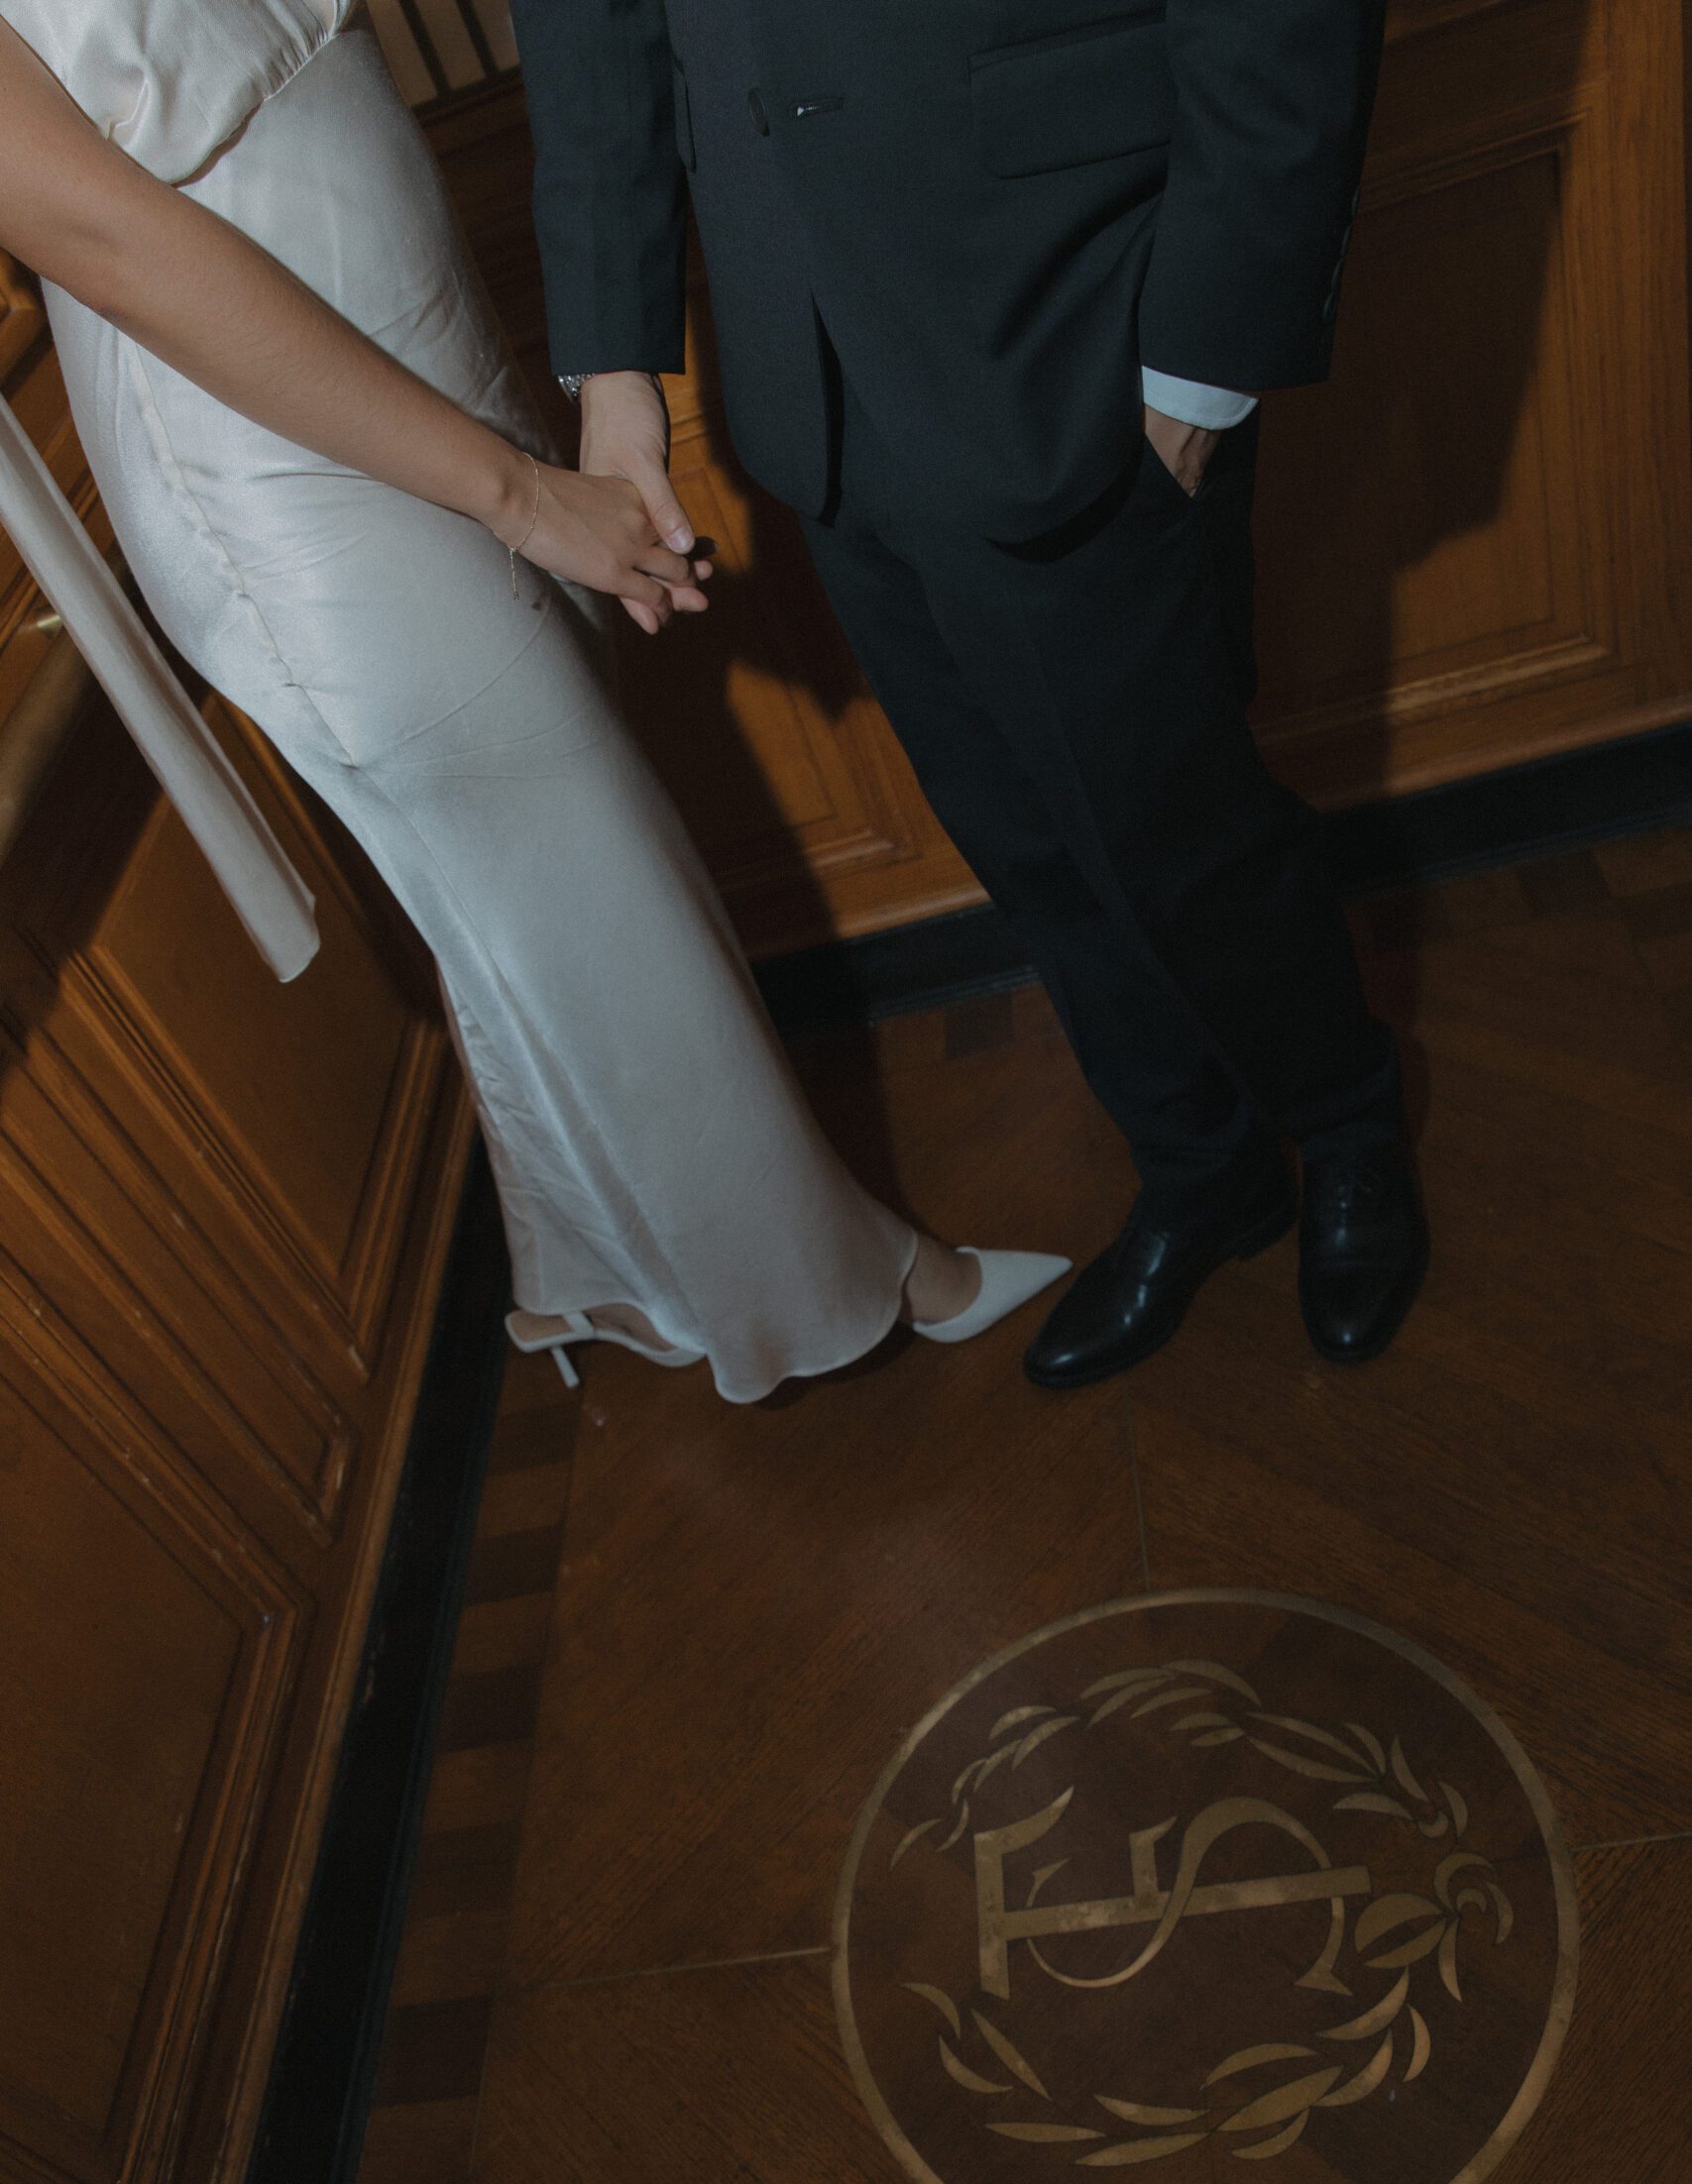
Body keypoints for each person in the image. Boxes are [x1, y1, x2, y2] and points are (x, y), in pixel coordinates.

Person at [0, 0, 1071, 1406]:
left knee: (527, 889)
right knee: (592, 878)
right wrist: (514, 496)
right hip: (268, 462)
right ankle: (843, 1286)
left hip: (418, 333)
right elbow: (115, 246)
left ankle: (586, 1279)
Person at [508, 0, 1431, 1388]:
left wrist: (1210, 350)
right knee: (1021, 832)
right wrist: (615, 368)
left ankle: (1348, 1120)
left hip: (1075, 299)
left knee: (1174, 826)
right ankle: (1202, 1167)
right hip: (805, 337)